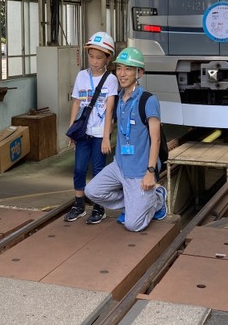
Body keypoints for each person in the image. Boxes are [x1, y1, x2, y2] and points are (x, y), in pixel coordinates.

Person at [84, 47, 167, 232]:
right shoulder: (119, 98)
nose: (122, 74)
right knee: (91, 191)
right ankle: (134, 204)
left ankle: (158, 199)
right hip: (120, 165)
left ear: (139, 73)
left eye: (128, 69)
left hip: (140, 170)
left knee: (133, 225)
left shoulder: (148, 100)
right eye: (119, 68)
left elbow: (156, 140)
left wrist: (150, 171)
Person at [64, 31, 119, 224]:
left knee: (98, 171)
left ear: (107, 58)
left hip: (99, 134)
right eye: (91, 56)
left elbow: (110, 110)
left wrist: (106, 138)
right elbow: (77, 104)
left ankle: (98, 207)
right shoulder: (81, 76)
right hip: (83, 133)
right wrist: (71, 130)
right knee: (79, 169)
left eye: (99, 58)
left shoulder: (111, 80)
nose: (94, 61)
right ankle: (79, 205)